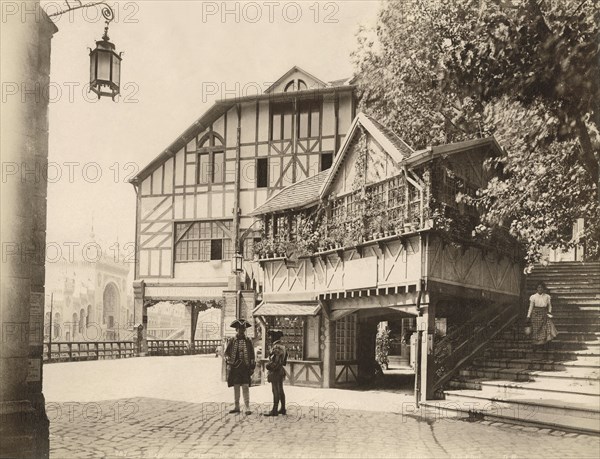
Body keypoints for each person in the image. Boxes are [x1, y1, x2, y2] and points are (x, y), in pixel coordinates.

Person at [224, 319, 255, 415]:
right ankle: (236, 406)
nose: (241, 331)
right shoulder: (232, 341)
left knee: (245, 386)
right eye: (240, 329)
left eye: (243, 329)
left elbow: (252, 355)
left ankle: (247, 407)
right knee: (236, 386)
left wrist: (252, 367)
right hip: (235, 367)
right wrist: (229, 362)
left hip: (245, 367)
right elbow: (226, 354)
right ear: (236, 330)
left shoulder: (248, 341)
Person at [527, 282, 558, 349]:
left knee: (546, 328)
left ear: (543, 288)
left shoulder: (547, 296)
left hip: (544, 313)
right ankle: (536, 345)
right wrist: (528, 316)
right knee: (536, 330)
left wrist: (549, 312)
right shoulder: (533, 297)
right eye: (538, 287)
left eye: (541, 287)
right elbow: (531, 307)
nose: (540, 289)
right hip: (535, 314)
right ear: (536, 289)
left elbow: (550, 306)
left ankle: (544, 343)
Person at [263, 329, 287, 417]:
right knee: (280, 389)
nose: (270, 338)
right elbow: (284, 361)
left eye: (271, 336)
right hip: (281, 370)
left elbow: (275, 361)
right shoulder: (283, 346)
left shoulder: (276, 347)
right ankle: (283, 408)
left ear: (274, 337)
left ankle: (275, 409)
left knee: (275, 390)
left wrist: (269, 366)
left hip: (275, 371)